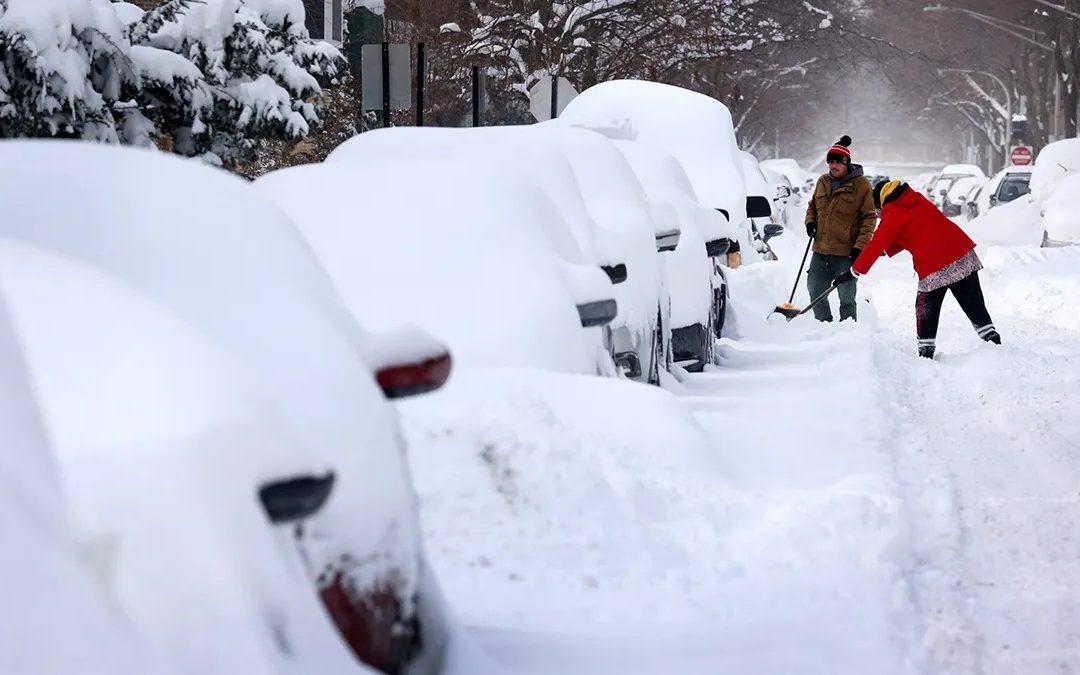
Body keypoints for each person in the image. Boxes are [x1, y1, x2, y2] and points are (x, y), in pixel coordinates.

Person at [833, 179, 1001, 359]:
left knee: (925, 308)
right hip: (962, 254)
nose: (879, 215)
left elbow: (877, 242)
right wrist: (884, 251)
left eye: (877, 211)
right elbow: (910, 231)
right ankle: (994, 344)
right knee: (973, 304)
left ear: (880, 202)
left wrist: (854, 270)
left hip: (935, 264)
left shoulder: (893, 211)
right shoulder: (914, 198)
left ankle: (926, 353)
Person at [804, 135, 878, 322]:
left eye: (838, 162)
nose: (833, 166)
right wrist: (810, 223)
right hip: (820, 250)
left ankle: (848, 333)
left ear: (847, 163)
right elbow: (812, 206)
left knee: (846, 298)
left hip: (846, 253)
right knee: (815, 291)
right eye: (830, 162)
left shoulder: (861, 186)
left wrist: (860, 246)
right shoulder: (823, 181)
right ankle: (824, 326)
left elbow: (869, 218)